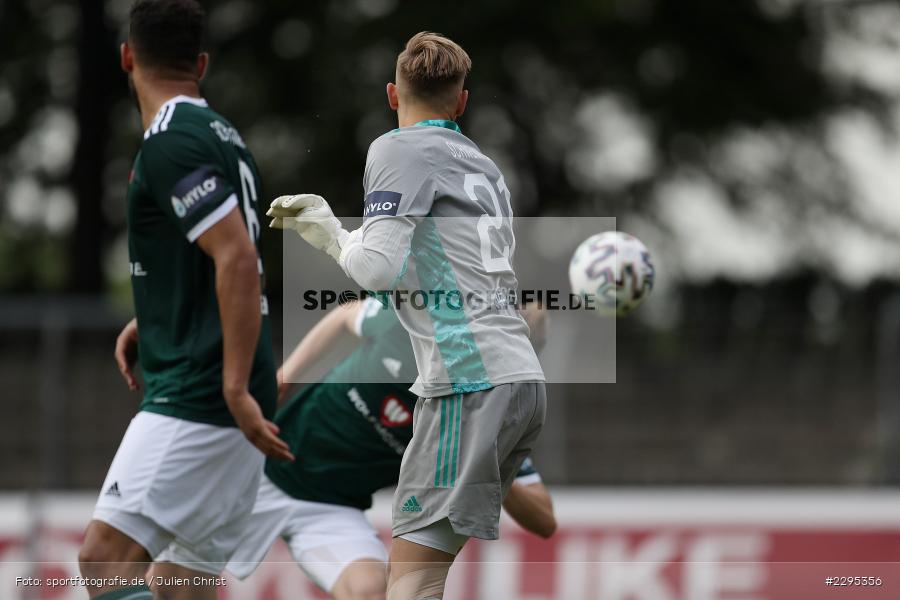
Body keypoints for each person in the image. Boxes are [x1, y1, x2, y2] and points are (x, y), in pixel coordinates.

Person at [269, 31, 546, 600]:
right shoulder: (487, 169)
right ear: (462, 102)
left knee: (414, 580)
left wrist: (331, 235)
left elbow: (375, 270)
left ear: (393, 95)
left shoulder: (397, 147)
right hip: (522, 379)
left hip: (465, 381)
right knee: (419, 574)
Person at [77, 2, 292, 599]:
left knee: (103, 562)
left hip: (201, 397)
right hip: (226, 395)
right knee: (180, 585)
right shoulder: (223, 135)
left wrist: (232, 388)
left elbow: (238, 260)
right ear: (201, 62)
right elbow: (219, 259)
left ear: (127, 56)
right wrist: (154, 317)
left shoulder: (172, 142)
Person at [226, 299, 556, 599]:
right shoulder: (410, 326)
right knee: (180, 578)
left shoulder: (493, 419)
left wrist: (485, 454)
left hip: (329, 509)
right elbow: (345, 315)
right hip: (256, 467)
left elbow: (544, 520)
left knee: (373, 592)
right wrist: (286, 376)